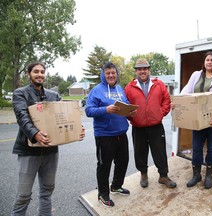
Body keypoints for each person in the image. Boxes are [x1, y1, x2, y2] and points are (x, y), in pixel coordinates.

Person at [11, 61, 85, 215]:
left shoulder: (53, 95)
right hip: (28, 151)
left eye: (42, 72)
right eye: (36, 71)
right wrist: (35, 134)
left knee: (47, 192)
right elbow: (22, 117)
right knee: (23, 195)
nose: (40, 74)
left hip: (51, 151)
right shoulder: (20, 93)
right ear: (28, 74)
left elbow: (67, 116)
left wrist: (78, 129)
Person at [178, 51, 212, 189]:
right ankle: (196, 174)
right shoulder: (196, 75)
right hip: (198, 118)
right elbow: (187, 90)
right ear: (204, 61)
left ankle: (208, 174)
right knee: (196, 147)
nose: (209, 62)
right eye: (207, 59)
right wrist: (178, 101)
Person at [85, 62, 135, 208]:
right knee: (104, 165)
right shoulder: (97, 90)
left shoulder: (120, 89)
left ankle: (116, 186)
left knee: (123, 162)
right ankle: (103, 193)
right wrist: (105, 109)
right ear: (103, 75)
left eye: (113, 73)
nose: (111, 75)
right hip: (104, 135)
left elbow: (124, 105)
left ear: (116, 74)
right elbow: (88, 111)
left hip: (121, 134)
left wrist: (129, 111)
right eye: (108, 73)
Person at [124, 58, 177, 189]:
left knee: (160, 152)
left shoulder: (158, 84)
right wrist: (131, 118)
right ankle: (143, 174)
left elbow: (166, 99)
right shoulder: (129, 87)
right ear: (136, 71)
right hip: (138, 127)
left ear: (149, 70)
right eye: (139, 69)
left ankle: (163, 176)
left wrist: (161, 112)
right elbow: (125, 106)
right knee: (140, 153)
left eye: (145, 69)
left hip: (156, 126)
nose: (142, 71)